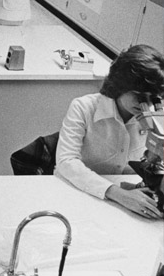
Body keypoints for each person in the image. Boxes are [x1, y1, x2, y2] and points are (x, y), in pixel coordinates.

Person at [55, 44, 164, 220]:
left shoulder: (156, 116)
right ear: (120, 85)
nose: (147, 105)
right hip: (80, 194)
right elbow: (66, 162)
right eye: (140, 96)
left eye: (154, 98)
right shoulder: (84, 107)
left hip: (129, 204)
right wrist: (120, 195)